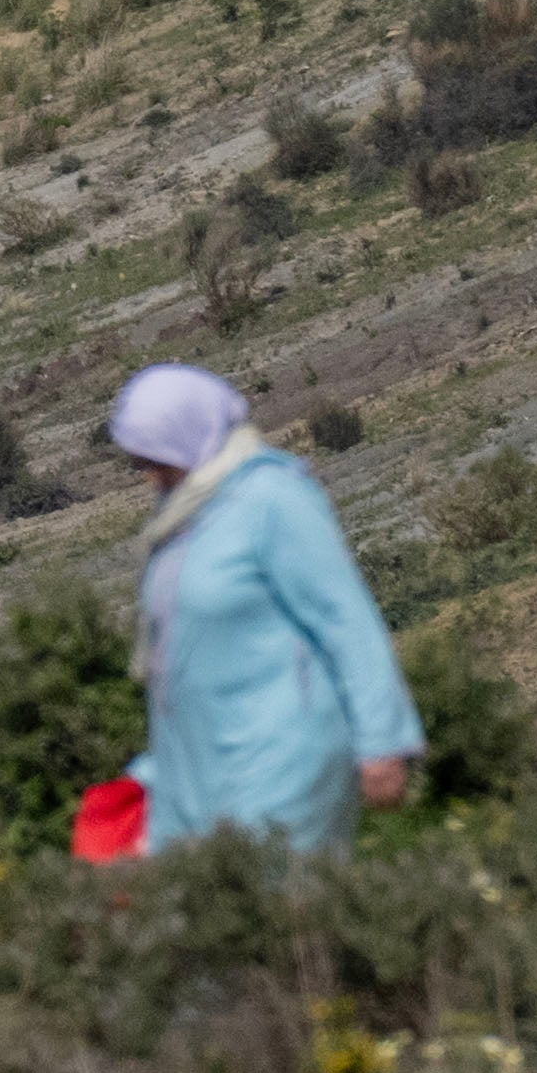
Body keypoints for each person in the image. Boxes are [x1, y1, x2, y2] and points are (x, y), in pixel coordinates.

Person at [113, 361, 417, 851]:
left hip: (280, 765)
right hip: (199, 774)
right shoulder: (184, 517)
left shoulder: (272, 497)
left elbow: (345, 618)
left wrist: (381, 742)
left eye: (156, 458)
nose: (149, 477)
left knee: (281, 916)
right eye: (139, 463)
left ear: (190, 434)